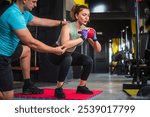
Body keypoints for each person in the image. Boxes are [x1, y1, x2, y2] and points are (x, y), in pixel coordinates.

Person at [0, 0, 67, 100]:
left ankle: (27, 84)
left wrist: (62, 23)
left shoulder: (24, 14)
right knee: (7, 97)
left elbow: (41, 21)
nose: (35, 5)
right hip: (2, 55)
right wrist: (54, 50)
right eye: (34, 1)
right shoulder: (13, 14)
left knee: (26, 51)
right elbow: (31, 43)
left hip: (9, 51)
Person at [48, 4, 101, 98]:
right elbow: (64, 45)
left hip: (69, 53)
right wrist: (82, 38)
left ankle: (81, 87)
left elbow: (98, 49)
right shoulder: (67, 26)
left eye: (88, 15)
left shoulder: (85, 30)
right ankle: (59, 89)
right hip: (56, 53)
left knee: (88, 60)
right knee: (68, 58)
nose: (86, 18)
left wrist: (95, 38)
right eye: (84, 15)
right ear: (77, 16)